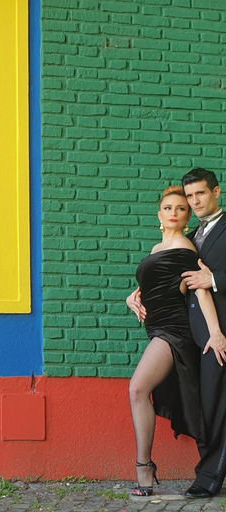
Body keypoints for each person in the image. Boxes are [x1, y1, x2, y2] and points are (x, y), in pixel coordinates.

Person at [126, 186, 225, 496]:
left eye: (181, 209)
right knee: (141, 391)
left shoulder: (183, 245)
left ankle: (144, 468)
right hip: (157, 328)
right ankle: (145, 467)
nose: (174, 212)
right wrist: (133, 297)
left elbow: (199, 289)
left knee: (138, 388)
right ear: (159, 215)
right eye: (168, 207)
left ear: (186, 218)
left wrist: (216, 333)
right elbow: (153, 285)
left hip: (174, 331)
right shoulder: (157, 248)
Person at [178, 168, 226, 499]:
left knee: (213, 406)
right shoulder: (193, 234)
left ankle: (209, 478)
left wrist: (216, 279)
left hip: (220, 334)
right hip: (195, 336)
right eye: (190, 195)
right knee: (202, 406)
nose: (195, 201)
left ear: (217, 192)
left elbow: (208, 279)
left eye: (201, 194)